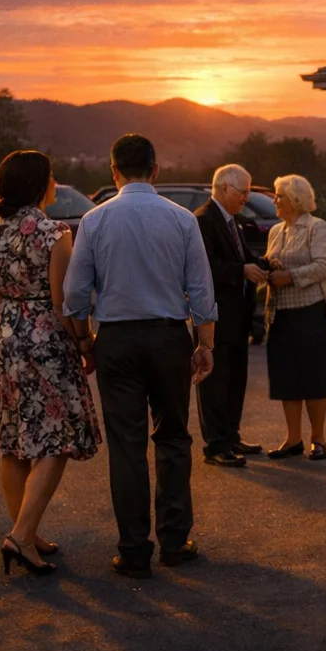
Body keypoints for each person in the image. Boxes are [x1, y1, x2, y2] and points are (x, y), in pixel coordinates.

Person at [64, 134, 217, 579]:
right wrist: (204, 344)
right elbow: (202, 292)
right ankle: (174, 541)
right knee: (172, 439)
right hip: (169, 338)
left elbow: (75, 296)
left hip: (117, 341)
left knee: (127, 447)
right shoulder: (183, 219)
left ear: (113, 172)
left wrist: (85, 340)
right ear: (156, 171)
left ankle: (133, 551)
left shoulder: (94, 220)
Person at [0, 150, 102, 576]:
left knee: (14, 442)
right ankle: (21, 536)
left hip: (4, 339)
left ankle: (26, 533)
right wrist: (84, 342)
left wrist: (4, 331)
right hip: (45, 339)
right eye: (51, 176)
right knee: (57, 438)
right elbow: (64, 302)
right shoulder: (53, 233)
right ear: (40, 184)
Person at [193, 163, 269, 468]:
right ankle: (216, 445)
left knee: (236, 379)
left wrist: (266, 265)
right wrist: (241, 271)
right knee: (215, 382)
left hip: (238, 317)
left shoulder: (232, 222)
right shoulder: (204, 220)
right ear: (224, 188)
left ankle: (231, 434)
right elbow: (204, 266)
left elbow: (244, 257)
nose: (246, 198)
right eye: (243, 192)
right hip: (215, 317)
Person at [264, 173, 326, 461]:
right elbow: (274, 263)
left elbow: (324, 266)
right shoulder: (276, 231)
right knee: (286, 379)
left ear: (295, 199)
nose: (275, 200)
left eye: (279, 196)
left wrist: (290, 276)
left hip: (311, 312)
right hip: (280, 313)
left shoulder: (316, 228)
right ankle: (292, 438)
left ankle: (317, 439)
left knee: (314, 378)